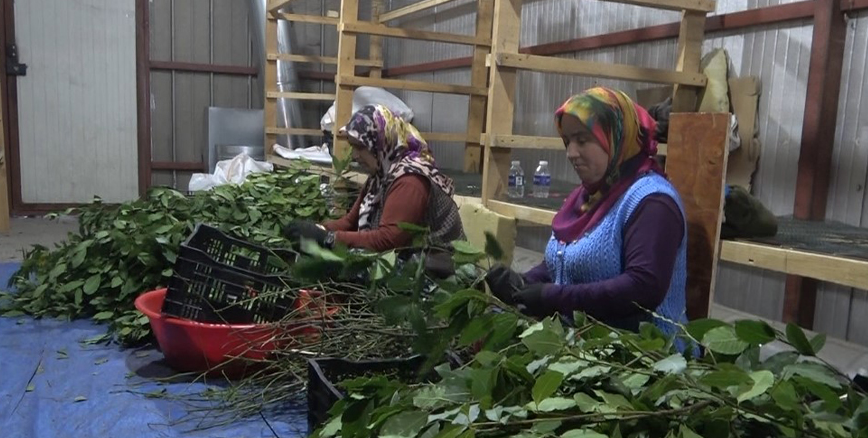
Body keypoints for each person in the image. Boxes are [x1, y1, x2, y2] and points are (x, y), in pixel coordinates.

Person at [486, 87, 690, 349]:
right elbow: (566, 261)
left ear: (616, 137)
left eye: (582, 140)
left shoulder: (652, 202)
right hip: (583, 343)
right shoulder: (588, 197)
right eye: (568, 141)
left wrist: (551, 297)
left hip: (641, 356)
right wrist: (523, 283)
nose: (571, 152)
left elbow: (643, 287)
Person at [284, 105, 464, 254]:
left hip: (435, 272)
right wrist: (316, 230)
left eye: (360, 147)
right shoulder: (380, 177)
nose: (354, 155)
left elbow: (388, 239)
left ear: (381, 142)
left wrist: (329, 239)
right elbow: (350, 222)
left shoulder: (410, 180)